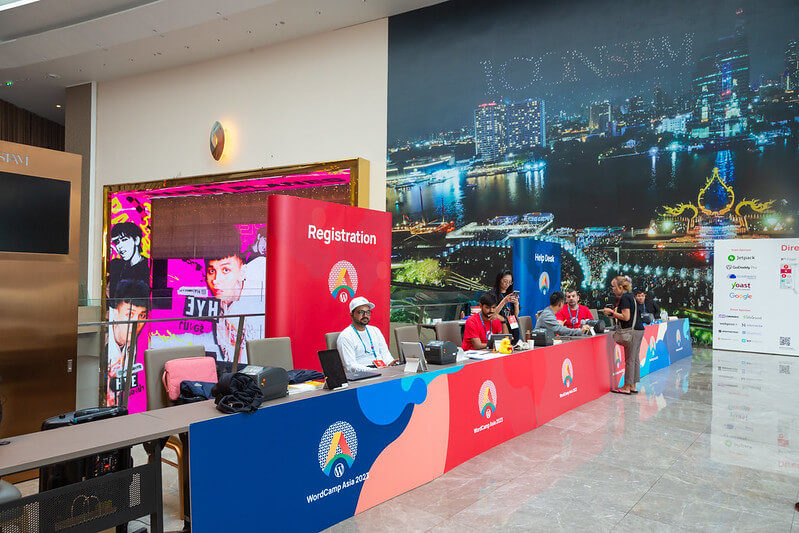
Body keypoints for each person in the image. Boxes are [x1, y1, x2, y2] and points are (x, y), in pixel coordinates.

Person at [205, 228, 264, 363]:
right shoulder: (223, 303)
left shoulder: (256, 303)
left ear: (243, 272)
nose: (216, 280)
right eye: (211, 270)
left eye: (226, 270)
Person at [106, 279, 150, 406]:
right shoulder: (103, 343)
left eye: (142, 316)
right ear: (115, 313)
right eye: (129, 314)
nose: (136, 323)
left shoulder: (141, 345)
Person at [603, 276, 644, 394]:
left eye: (614, 287)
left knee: (630, 360)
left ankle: (626, 387)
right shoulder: (631, 297)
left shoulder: (625, 298)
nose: (613, 289)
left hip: (631, 332)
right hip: (638, 330)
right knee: (635, 359)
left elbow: (626, 317)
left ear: (620, 287)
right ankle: (633, 385)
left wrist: (611, 313)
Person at [337, 296, 398, 372]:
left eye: (368, 312)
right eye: (361, 312)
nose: (365, 315)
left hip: (382, 371)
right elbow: (350, 366)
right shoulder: (346, 336)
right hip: (362, 376)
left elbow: (385, 353)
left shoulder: (375, 330)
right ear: (351, 314)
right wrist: (373, 371)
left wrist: (390, 363)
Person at [108, 222, 150, 299]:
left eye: (124, 240)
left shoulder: (148, 265)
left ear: (136, 240)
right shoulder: (117, 266)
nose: (120, 246)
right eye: (117, 242)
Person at [489, 270, 521, 341]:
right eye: (505, 281)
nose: (507, 284)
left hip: (512, 325)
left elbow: (515, 315)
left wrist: (516, 304)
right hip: (500, 327)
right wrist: (504, 301)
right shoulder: (492, 294)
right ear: (499, 280)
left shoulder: (510, 294)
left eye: (510, 282)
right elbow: (492, 314)